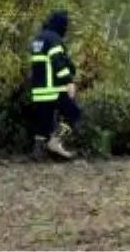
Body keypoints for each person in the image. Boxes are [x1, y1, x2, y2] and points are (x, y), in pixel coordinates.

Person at [28, 9, 81, 160]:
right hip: (54, 88)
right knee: (74, 113)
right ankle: (55, 142)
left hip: (39, 90)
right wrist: (68, 82)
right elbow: (58, 62)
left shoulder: (38, 39)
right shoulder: (54, 39)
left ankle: (38, 152)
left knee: (43, 120)